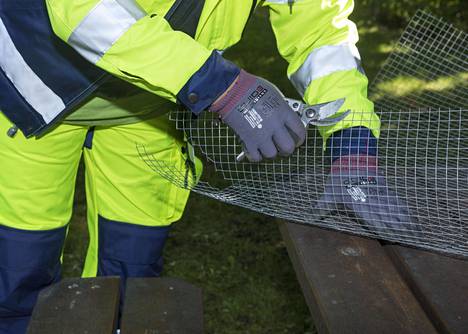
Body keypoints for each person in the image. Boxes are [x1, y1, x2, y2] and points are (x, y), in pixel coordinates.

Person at [1, 1, 406, 333]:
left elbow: (321, 32)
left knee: (132, 278)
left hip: (148, 108)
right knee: (17, 274)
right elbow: (83, 8)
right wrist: (224, 87)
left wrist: (352, 143)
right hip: (34, 93)